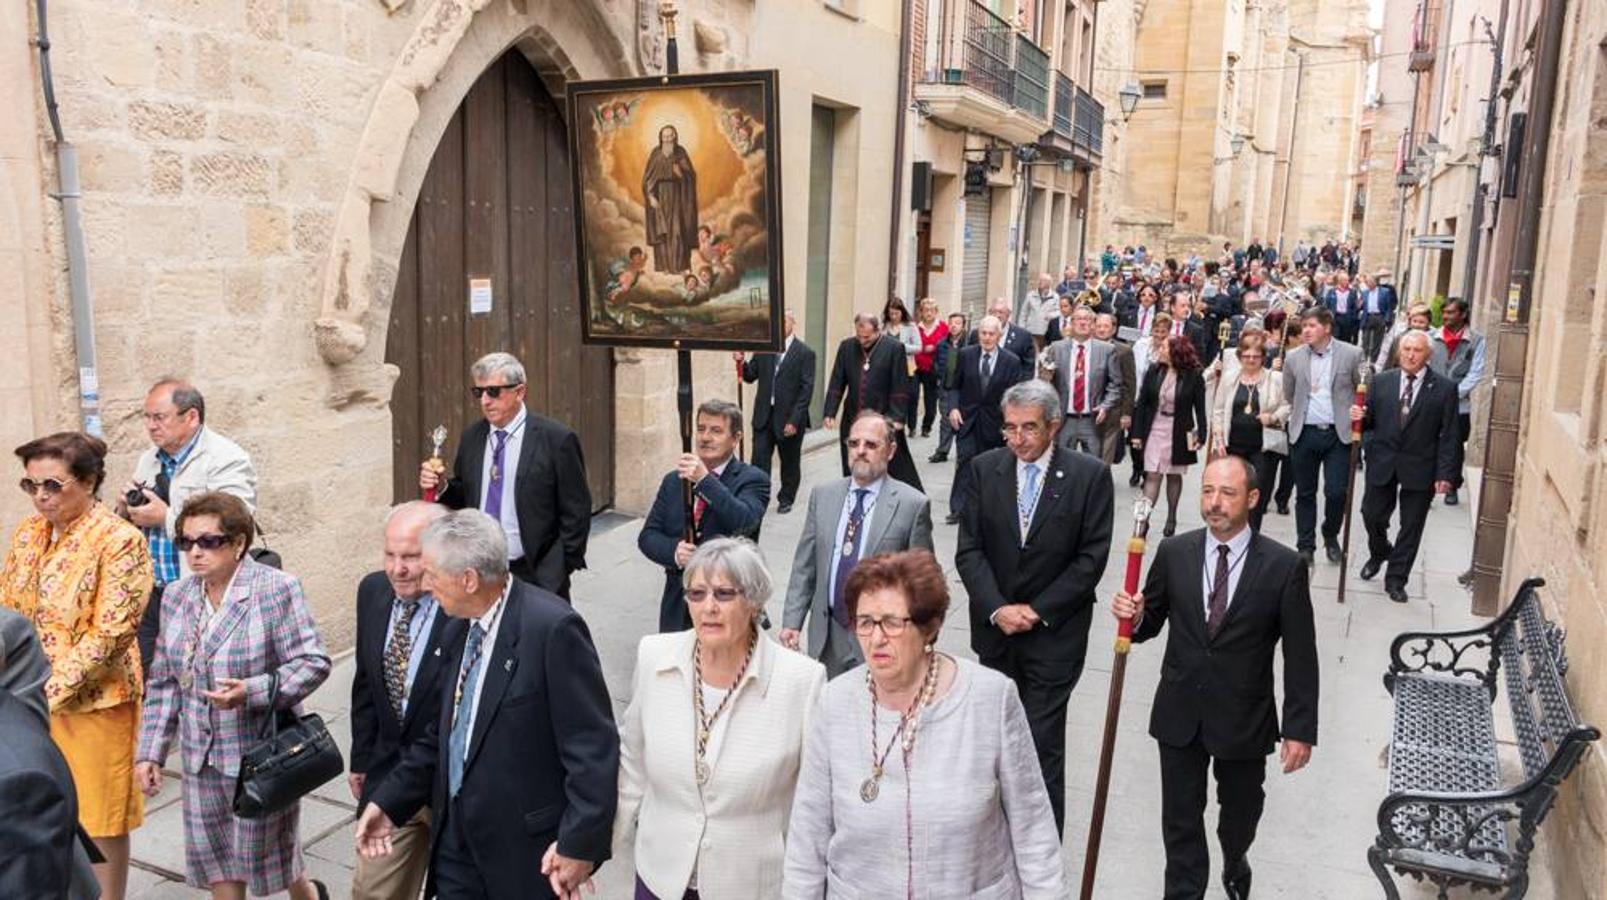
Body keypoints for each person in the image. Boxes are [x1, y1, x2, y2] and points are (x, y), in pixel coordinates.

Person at [354, 510, 619, 899]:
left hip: (521, 854)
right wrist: (389, 801)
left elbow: (592, 748)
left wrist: (579, 845)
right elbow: (442, 735)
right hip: (455, 842)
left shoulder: (552, 630)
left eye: (431, 574)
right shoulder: (458, 622)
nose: (425, 584)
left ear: (469, 579)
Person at [782, 550, 1066, 898]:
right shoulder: (834, 701)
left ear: (929, 627)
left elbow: (1033, 828)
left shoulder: (991, 699)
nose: (876, 638)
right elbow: (807, 837)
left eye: (892, 622)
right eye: (865, 622)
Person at [1111, 455, 1319, 900]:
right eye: (1207, 491)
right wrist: (1135, 614)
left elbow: (1301, 654)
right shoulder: (1174, 553)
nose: (1215, 503)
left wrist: (1299, 729)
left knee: (1240, 812)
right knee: (1181, 821)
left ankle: (1235, 854)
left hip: (1243, 716)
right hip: (1180, 711)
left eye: (1227, 493)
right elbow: (1149, 624)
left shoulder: (1283, 567)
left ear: (1253, 498)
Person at [135, 491, 332, 900]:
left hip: (259, 756)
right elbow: (164, 681)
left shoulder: (276, 589)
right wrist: (150, 751)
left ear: (239, 543)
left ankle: (309, 895)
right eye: (186, 542)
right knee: (219, 863)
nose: (195, 553)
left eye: (209, 541)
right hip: (199, 758)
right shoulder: (176, 595)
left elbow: (313, 662)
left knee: (274, 856)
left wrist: (251, 692)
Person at [617, 538, 825, 899]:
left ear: (754, 602)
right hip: (660, 876)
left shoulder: (802, 681)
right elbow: (631, 766)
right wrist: (587, 851)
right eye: (696, 594)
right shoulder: (655, 655)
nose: (708, 607)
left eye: (724, 594)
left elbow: (813, 805)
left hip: (748, 885)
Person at [954, 379, 1114, 835]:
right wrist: (997, 608)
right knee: (993, 745)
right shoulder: (986, 469)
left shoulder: (1088, 476)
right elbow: (969, 551)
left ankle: (1041, 850)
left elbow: (1090, 560)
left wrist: (1037, 610)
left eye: (1029, 428)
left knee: (1041, 748)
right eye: (1010, 429)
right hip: (996, 634)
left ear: (1054, 426)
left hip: (1053, 638)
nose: (1018, 438)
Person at [3, 431, 152, 900]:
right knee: (42, 810)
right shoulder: (28, 533)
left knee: (99, 818)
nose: (41, 497)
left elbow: (110, 634)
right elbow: (9, 608)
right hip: (28, 700)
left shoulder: (120, 540)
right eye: (31, 487)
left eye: (52, 485)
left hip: (94, 704)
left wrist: (40, 693)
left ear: (88, 483)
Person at [348, 502, 466, 900]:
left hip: (456, 784)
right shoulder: (373, 591)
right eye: (390, 554)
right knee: (372, 891)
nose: (397, 568)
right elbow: (366, 682)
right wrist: (362, 757)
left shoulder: (465, 608)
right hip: (392, 778)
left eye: (412, 557)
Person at [419, 352, 592, 598]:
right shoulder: (473, 437)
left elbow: (576, 509)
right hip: (478, 568)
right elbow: (467, 496)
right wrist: (442, 486)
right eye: (479, 393)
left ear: (519, 392)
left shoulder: (555, 439)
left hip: (535, 570)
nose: (485, 401)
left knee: (537, 635)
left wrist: (559, 566)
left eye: (494, 392)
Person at [122, 379, 258, 678]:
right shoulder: (149, 459)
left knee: (199, 674)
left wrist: (165, 517)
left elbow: (237, 523)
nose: (151, 426)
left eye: (159, 417)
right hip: (152, 592)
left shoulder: (226, 458)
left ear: (191, 416)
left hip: (200, 589)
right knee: (151, 677)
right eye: (146, 417)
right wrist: (127, 509)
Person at [779, 414, 934, 677]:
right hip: (827, 636)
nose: (860, 451)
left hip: (881, 639)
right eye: (853, 443)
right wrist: (792, 622)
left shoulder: (911, 505)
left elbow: (923, 583)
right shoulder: (823, 495)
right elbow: (804, 566)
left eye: (871, 445)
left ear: (891, 450)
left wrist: (920, 638)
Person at [640, 400, 770, 633]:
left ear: (736, 438)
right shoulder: (674, 480)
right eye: (701, 429)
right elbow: (648, 536)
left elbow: (745, 520)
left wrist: (704, 481)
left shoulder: (753, 480)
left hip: (727, 601)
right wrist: (674, 552)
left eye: (716, 431)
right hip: (678, 602)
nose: (705, 437)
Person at [1352, 331, 1460, 603]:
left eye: (1417, 350)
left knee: (1411, 526)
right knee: (1371, 514)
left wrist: (1446, 474)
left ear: (1428, 355)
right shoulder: (1380, 382)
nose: (1411, 355)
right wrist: (1358, 418)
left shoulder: (1445, 389)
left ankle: (1396, 579)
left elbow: (1449, 435)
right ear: (1399, 352)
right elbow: (1368, 423)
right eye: (1407, 349)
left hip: (1420, 466)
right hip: (1383, 460)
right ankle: (1379, 551)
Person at [1282, 307, 1365, 566]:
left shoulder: (1351, 354)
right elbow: (1289, 393)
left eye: (1312, 325)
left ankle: (1330, 534)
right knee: (1305, 493)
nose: (1305, 330)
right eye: (1303, 325)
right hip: (1304, 432)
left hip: (1338, 434)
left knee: (1337, 492)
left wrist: (1357, 409)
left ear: (1327, 328)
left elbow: (1362, 388)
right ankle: (1305, 545)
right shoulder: (1293, 358)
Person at [822, 313, 924, 492]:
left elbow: (899, 384)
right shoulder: (846, 347)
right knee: (854, 460)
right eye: (859, 336)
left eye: (867, 337)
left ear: (877, 331)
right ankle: (855, 494)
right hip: (853, 418)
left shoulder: (894, 348)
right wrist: (830, 411)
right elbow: (837, 380)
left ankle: (907, 497)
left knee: (894, 463)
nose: (862, 341)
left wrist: (898, 417)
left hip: (885, 417)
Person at [945, 315, 1027, 525]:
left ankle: (989, 508)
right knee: (965, 462)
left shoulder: (1011, 361)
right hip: (967, 420)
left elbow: (1014, 397)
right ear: (978, 334)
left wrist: (1010, 425)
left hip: (995, 423)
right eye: (983, 333)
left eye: (991, 334)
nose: (987, 337)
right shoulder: (965, 355)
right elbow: (954, 385)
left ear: (999, 335)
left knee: (992, 467)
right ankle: (958, 508)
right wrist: (953, 408)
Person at [1210, 334, 1291, 532]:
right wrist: (1218, 439)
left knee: (1257, 495)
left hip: (1262, 448)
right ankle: (1229, 531)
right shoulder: (1230, 379)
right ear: (1240, 357)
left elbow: (1288, 405)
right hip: (1233, 446)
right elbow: (1218, 410)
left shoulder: (1275, 379)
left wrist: (1273, 417)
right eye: (1246, 356)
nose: (1251, 360)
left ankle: (1252, 534)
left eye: (1255, 356)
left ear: (1263, 357)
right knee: (1231, 491)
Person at [1131, 336, 1210, 537]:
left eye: (1165, 347)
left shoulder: (1194, 375)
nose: (1160, 349)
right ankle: (1144, 520)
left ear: (1175, 353)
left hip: (1179, 429)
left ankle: (1172, 515)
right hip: (1155, 425)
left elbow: (1199, 408)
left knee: (1173, 475)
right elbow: (1142, 404)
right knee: (1152, 474)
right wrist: (1137, 433)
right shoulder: (1154, 370)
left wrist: (1202, 433)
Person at [738, 310, 815, 514]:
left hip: (789, 418)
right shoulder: (764, 350)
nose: (780, 325)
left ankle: (786, 498)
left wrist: (794, 420)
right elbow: (749, 375)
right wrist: (740, 362)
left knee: (789, 462)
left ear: (793, 323)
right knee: (759, 460)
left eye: (784, 320)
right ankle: (757, 498)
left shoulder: (805, 353)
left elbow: (806, 391)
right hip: (764, 415)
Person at [1427, 297, 1486, 507]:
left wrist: (1453, 393)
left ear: (1463, 314)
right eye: (1444, 312)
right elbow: (1424, 365)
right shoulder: (1431, 338)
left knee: (1454, 446)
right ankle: (1430, 485)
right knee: (1430, 442)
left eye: (1451, 313)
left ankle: (1452, 485)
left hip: (1460, 405)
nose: (1445, 316)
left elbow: (1476, 372)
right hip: (1432, 401)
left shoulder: (1477, 341)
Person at [1043, 305, 1124, 456]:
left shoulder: (1106, 350)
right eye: (1078, 319)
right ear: (1071, 324)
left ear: (1093, 324)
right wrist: (1046, 375)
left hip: (1092, 419)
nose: (1083, 323)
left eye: (1087, 319)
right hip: (1064, 419)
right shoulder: (1056, 348)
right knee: (1062, 465)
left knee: (1093, 467)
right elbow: (1044, 383)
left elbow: (1116, 384)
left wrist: (1105, 406)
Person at [643, 125, 699, 273]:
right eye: (664, 136)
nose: (667, 139)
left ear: (675, 136)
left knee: (678, 231)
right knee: (662, 231)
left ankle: (680, 266)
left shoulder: (681, 152)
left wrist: (680, 173)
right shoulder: (656, 153)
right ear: (661, 137)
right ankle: (664, 267)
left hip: (677, 197)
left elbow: (691, 176)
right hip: (660, 196)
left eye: (670, 136)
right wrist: (650, 196)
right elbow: (647, 178)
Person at [1094, 312, 1138, 465]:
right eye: (1098, 326)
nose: (1101, 330)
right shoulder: (1087, 347)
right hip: (1090, 408)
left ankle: (1101, 482)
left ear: (1113, 329)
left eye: (1105, 326)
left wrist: (1126, 413)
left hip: (1113, 411)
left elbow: (1129, 384)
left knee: (1106, 452)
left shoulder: (1124, 351)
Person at [928, 312, 969, 464]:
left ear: (963, 326)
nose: (953, 326)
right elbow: (936, 362)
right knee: (945, 420)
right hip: (946, 387)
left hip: (964, 389)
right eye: (951, 322)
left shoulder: (969, 343)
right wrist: (939, 377)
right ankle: (942, 451)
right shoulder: (942, 344)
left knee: (963, 420)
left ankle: (963, 451)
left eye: (957, 323)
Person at [965, 297, 1037, 368]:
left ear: (1008, 314)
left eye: (1001, 312)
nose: (997, 315)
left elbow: (1028, 368)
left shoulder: (1023, 336)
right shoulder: (976, 334)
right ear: (989, 313)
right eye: (994, 312)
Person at [912, 298, 949, 437]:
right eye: (925, 310)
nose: (928, 313)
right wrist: (922, 348)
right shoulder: (916, 327)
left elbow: (946, 346)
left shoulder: (943, 327)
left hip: (932, 369)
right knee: (912, 396)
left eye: (931, 310)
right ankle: (911, 426)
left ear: (936, 312)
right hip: (915, 367)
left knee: (930, 400)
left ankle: (926, 426)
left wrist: (935, 348)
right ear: (921, 312)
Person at [1375, 303, 1433, 372]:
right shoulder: (1399, 339)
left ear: (1428, 323)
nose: (1417, 325)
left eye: (1421, 322)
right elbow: (1389, 362)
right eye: (1414, 321)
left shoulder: (1433, 341)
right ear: (1410, 322)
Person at [1358, 270, 1398, 360]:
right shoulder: (1364, 293)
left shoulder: (1385, 292)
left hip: (1379, 316)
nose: (1368, 284)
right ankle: (1365, 356)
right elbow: (1360, 306)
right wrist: (1359, 305)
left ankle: (1373, 358)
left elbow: (1389, 307)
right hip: (1367, 316)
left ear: (1375, 282)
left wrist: (1387, 320)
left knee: (1377, 339)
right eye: (1367, 282)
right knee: (1365, 339)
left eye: (1370, 282)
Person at [1021, 273, 1060, 352]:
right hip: (1031, 331)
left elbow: (1059, 311)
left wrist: (1050, 316)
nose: (1039, 282)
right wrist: (1022, 328)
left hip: (1045, 332)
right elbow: (1024, 312)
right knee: (1031, 352)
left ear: (1049, 284)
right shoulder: (1030, 295)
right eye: (1039, 280)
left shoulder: (1055, 297)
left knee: (1043, 354)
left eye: (1043, 281)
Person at [1322, 272, 1361, 345]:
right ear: (1340, 281)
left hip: (1347, 317)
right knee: (1336, 337)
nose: (1347, 282)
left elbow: (1354, 306)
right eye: (1345, 280)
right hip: (1336, 317)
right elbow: (1327, 305)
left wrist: (1353, 316)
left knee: (1346, 338)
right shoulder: (1332, 292)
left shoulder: (1352, 292)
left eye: (1347, 280)